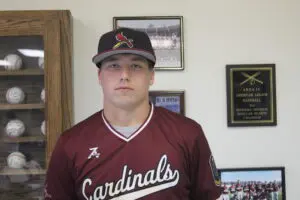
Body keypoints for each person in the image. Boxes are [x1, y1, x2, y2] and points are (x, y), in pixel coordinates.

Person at [44, 27, 222, 200]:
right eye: (114, 65)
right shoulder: (70, 143)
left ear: (151, 76)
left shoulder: (188, 133)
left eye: (136, 66)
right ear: (99, 76)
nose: (124, 75)